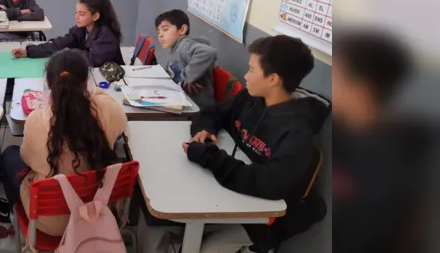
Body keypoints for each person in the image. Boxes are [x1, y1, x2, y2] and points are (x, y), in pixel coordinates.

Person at [182, 35, 330, 253]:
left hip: (263, 217)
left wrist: (210, 158)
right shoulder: (251, 97)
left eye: (251, 70)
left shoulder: (297, 130)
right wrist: (204, 129)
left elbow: (269, 183)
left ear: (273, 79)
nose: (245, 75)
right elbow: (215, 112)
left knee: (204, 248)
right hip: (227, 192)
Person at [0, 49, 127, 237]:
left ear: (48, 84)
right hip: (98, 211)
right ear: (86, 83)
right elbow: (119, 118)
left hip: (51, 222)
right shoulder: (107, 110)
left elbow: (28, 159)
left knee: (10, 154)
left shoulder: (37, 120)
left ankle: (13, 217)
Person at [331, 30, 434, 253]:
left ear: (362, 91)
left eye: (337, 77)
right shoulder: (343, 130)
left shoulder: (390, 166)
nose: (331, 84)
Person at [12, 0, 124, 67]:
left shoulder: (106, 34)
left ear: (95, 16)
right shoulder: (81, 29)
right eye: (76, 12)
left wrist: (66, 54)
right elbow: (58, 44)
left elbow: (93, 60)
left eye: (82, 14)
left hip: (112, 80)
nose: (76, 17)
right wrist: (29, 51)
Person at [155, 9, 217, 109]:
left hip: (198, 107)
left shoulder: (184, 46)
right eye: (158, 32)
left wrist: (188, 76)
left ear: (182, 29)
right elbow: (170, 72)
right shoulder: (174, 48)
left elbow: (209, 52)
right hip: (183, 101)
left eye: (165, 29)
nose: (160, 35)